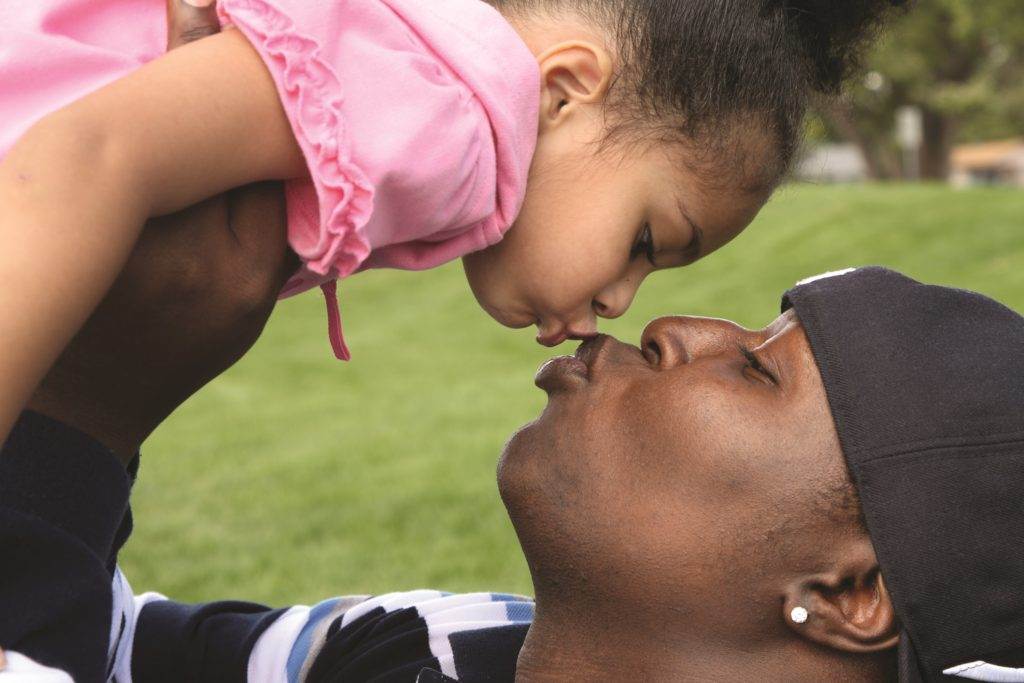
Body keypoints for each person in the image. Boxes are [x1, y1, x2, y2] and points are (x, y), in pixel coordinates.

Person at [4, 265, 1022, 682]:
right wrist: (85, 424)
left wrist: (81, 408)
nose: (671, 326)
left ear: (851, 591)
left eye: (756, 369)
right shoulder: (444, 644)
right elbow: (112, 655)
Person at [0, 0, 904, 444]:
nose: (621, 301)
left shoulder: (406, 53)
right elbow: (88, 158)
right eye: (645, 243)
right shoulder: (459, 125)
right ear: (562, 91)